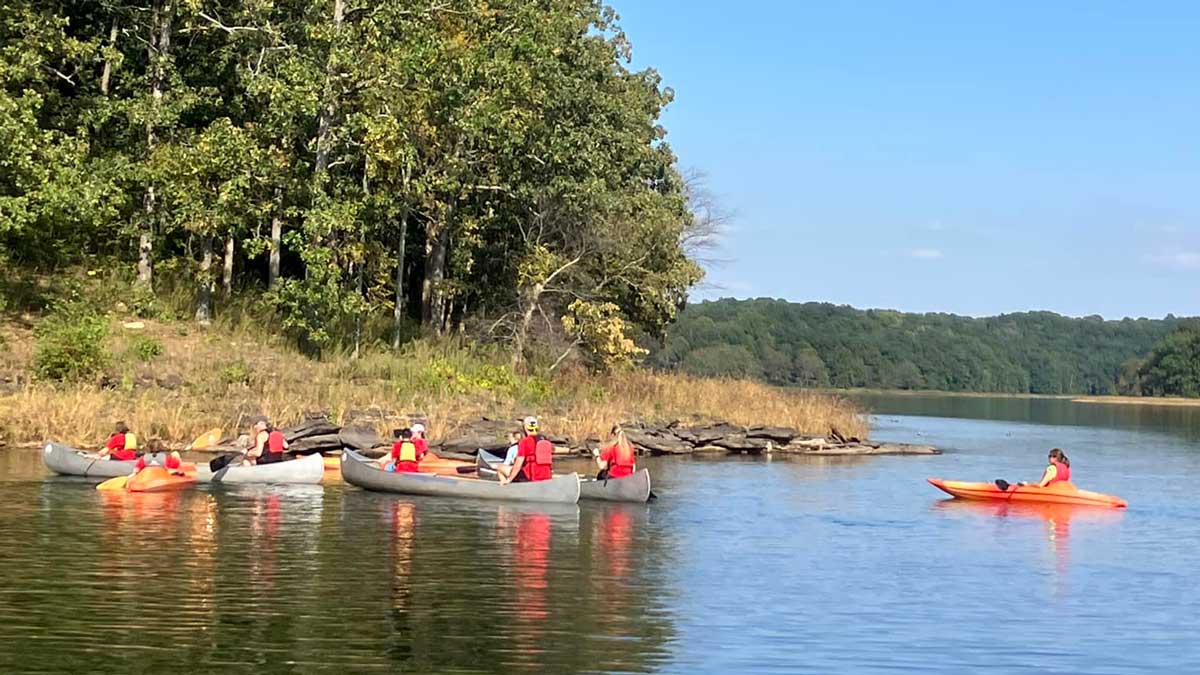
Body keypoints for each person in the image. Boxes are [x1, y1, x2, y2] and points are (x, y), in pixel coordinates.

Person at [498, 416, 554, 485]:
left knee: (500, 468)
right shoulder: (546, 441)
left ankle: (506, 487)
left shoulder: (524, 442)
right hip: (547, 476)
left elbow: (518, 465)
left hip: (530, 477)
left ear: (525, 428)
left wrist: (509, 479)